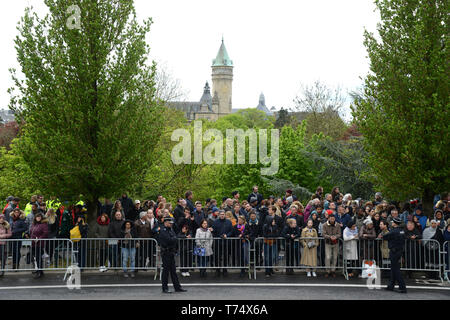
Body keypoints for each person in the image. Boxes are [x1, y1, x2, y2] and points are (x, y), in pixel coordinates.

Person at [158, 217, 187, 293]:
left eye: (171, 223)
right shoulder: (163, 231)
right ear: (165, 223)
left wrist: (174, 239)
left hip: (171, 252)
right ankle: (165, 288)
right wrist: (175, 238)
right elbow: (169, 240)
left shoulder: (171, 230)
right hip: (166, 252)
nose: (171, 224)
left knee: (173, 271)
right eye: (169, 223)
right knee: (166, 271)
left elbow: (174, 239)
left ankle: (177, 287)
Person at [381, 217, 407, 293]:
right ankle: (391, 286)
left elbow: (385, 236)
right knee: (393, 269)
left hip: (394, 251)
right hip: (399, 251)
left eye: (393, 222)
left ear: (395, 223)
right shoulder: (402, 231)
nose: (392, 223)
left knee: (396, 270)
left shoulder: (393, 231)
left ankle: (402, 287)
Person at [211, 210, 234, 277]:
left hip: (226, 242)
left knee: (226, 257)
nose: (222, 215)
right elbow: (214, 231)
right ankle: (217, 270)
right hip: (217, 242)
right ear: (219, 215)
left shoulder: (228, 222)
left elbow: (231, 231)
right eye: (221, 214)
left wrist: (227, 235)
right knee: (217, 256)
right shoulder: (215, 222)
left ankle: (225, 269)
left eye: (223, 214)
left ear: (225, 215)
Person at [29, 213, 48, 278]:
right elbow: (31, 231)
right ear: (35, 218)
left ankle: (40, 271)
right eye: (37, 217)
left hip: (39, 243)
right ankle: (39, 270)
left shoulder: (44, 224)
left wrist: (39, 239)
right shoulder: (34, 224)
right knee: (35, 257)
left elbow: (45, 233)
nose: (38, 218)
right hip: (33, 243)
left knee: (38, 257)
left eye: (39, 217)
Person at [322, 214, 341, 278]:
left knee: (335, 257)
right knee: (328, 257)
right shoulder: (325, 225)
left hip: (336, 243)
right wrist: (330, 237)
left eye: (333, 218)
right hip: (328, 243)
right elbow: (324, 234)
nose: (332, 220)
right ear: (329, 218)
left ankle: (333, 270)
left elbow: (339, 233)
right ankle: (328, 271)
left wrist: (335, 237)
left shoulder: (337, 225)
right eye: (331, 218)